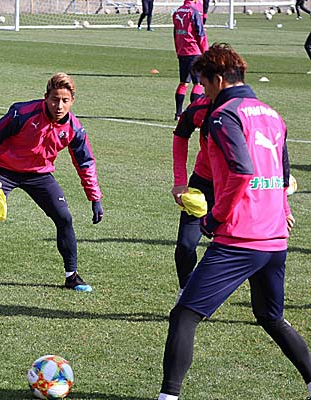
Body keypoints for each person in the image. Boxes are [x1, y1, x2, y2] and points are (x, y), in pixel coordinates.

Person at [158, 43, 311, 400]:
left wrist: (215, 218)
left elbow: (242, 171)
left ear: (219, 80)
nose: (203, 90)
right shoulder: (272, 114)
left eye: (204, 83)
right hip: (274, 238)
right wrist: (284, 212)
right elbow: (283, 173)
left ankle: (168, 396)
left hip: (241, 238)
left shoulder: (223, 115)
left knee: (184, 316)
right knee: (271, 317)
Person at [0, 72, 104, 293]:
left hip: (39, 175)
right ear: (46, 97)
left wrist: (95, 198)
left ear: (72, 101)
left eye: (65, 100)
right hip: (5, 171)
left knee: (64, 218)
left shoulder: (74, 128)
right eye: (55, 99)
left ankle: (72, 276)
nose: (59, 106)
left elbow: (85, 162)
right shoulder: (23, 113)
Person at [171, 95, 213, 303]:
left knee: (241, 250)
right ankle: (185, 292)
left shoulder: (245, 110)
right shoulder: (201, 106)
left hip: (235, 188)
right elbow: (180, 135)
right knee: (186, 245)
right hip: (202, 184)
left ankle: (268, 310)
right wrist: (180, 181)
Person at [172, 0, 208, 120]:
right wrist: (206, 52)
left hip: (182, 51)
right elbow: (200, 33)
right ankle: (194, 115)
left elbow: (175, 32)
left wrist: (177, 49)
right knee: (198, 84)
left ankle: (178, 113)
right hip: (194, 51)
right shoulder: (194, 12)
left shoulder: (178, 11)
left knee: (183, 83)